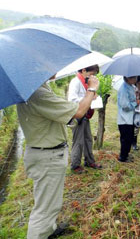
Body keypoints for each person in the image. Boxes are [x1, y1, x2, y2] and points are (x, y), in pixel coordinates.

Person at [17, 75, 99, 239]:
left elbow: (62, 115)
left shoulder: (36, 87)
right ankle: (41, 232)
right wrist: (91, 89)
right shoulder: (38, 93)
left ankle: (49, 229)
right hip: (47, 156)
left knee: (49, 203)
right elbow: (78, 111)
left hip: (45, 153)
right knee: (44, 210)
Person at [68, 65, 102, 174]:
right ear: (83, 70)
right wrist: (88, 99)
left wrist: (92, 96)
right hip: (78, 115)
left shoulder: (85, 82)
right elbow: (72, 100)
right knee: (78, 141)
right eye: (92, 74)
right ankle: (75, 165)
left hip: (85, 115)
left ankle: (89, 161)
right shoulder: (76, 81)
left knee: (88, 139)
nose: (93, 77)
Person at [117, 76, 139, 162]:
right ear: (127, 78)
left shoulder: (131, 87)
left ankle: (126, 154)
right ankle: (123, 157)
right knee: (125, 138)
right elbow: (125, 105)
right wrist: (135, 104)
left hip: (130, 118)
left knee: (129, 137)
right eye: (134, 78)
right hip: (124, 119)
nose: (136, 79)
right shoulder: (123, 89)